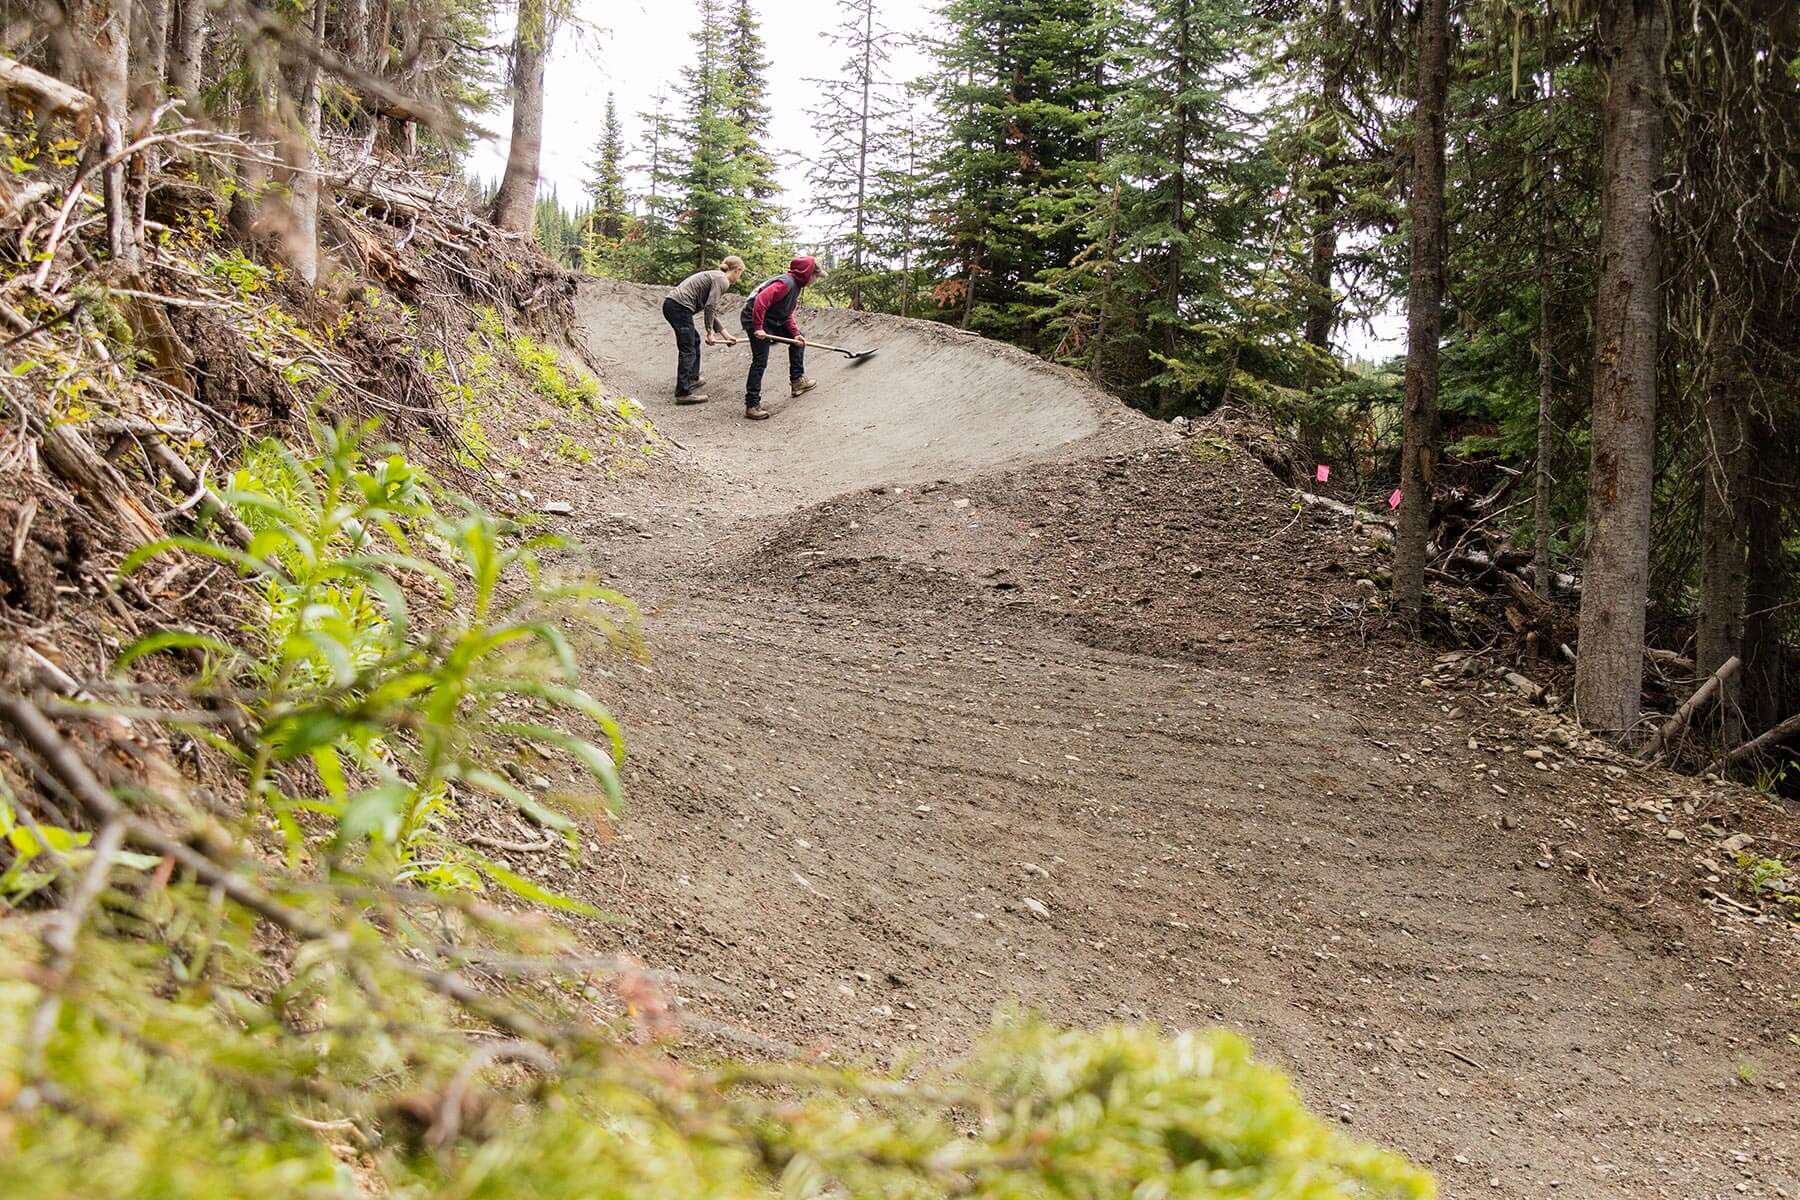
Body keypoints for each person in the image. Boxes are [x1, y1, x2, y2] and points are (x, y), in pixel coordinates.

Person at [738, 255, 819, 421]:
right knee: (760, 360)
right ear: (808, 273)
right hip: (754, 318)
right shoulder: (785, 283)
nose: (816, 280)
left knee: (799, 341)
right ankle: (752, 405)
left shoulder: (795, 286)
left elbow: (786, 314)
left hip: (772, 320)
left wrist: (795, 333)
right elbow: (761, 300)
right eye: (815, 276)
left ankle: (797, 381)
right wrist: (759, 328)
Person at [663, 256, 745, 403]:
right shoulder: (722, 280)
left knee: (694, 341)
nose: (739, 277)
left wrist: (725, 334)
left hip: (674, 305)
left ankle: (692, 379)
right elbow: (710, 306)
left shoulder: (716, 276)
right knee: (688, 348)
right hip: (678, 307)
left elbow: (710, 309)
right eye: (741, 274)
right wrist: (710, 332)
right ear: (737, 270)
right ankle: (683, 393)